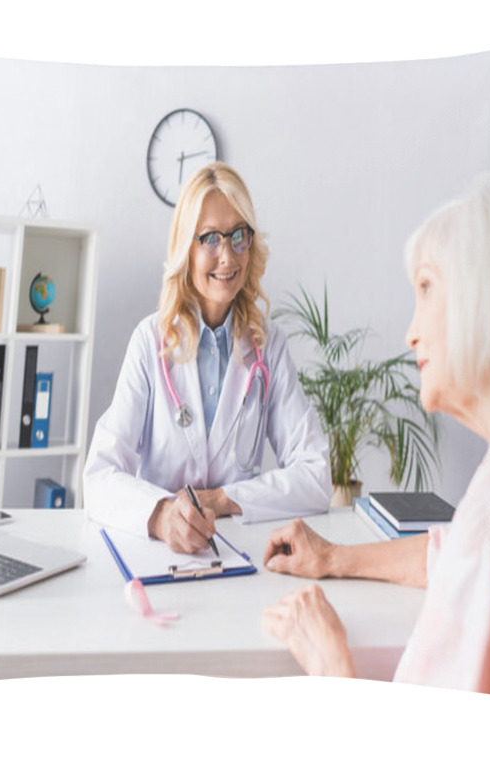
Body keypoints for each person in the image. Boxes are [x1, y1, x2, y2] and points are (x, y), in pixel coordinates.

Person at [262, 175, 490, 699]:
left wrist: (330, 663)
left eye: (425, 288)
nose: (410, 332)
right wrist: (333, 558)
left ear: (482, 295)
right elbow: (450, 551)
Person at [84, 162, 331, 553]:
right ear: (186, 247)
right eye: (210, 239)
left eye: (238, 237)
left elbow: (316, 476)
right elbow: (99, 476)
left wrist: (223, 498)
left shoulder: (268, 346)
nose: (228, 258)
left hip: (242, 553)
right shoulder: (151, 342)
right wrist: (163, 516)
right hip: (159, 555)